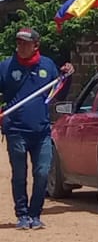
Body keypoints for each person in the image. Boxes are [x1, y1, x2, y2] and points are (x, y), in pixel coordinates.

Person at [0, 27, 73, 230]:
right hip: (16, 130)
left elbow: (59, 93)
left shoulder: (47, 66)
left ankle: (35, 213)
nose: (21, 46)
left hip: (41, 131)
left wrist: (67, 77)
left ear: (36, 45)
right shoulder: (6, 67)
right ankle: (22, 214)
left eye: (25, 43)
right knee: (20, 174)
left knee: (42, 173)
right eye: (19, 42)